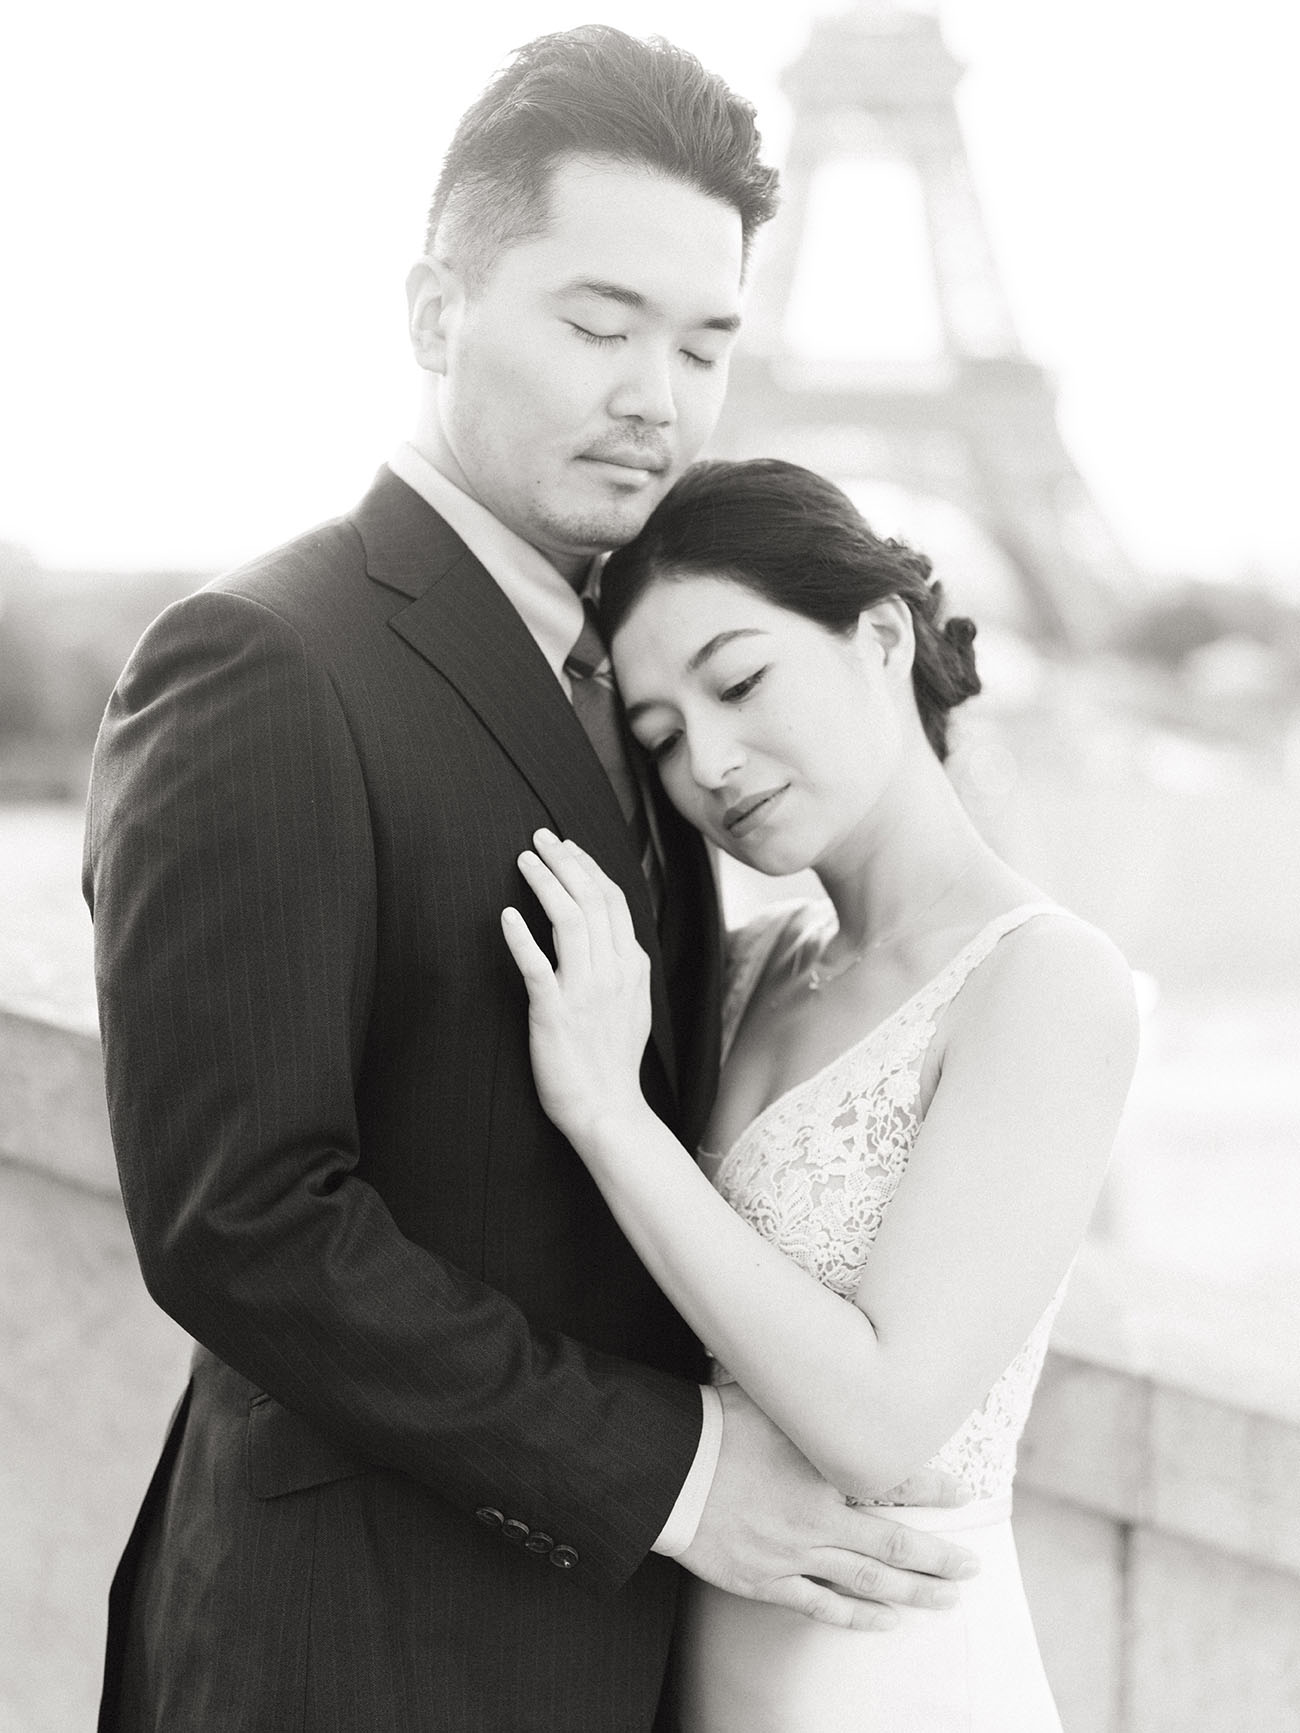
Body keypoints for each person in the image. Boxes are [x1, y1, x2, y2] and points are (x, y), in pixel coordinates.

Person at [84, 32, 977, 1733]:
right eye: (597, 322)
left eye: (707, 341)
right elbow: (241, 1214)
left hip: (634, 1651)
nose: (659, 391)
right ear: (434, 315)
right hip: (356, 1649)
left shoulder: (642, 692)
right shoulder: (264, 661)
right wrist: (681, 1478)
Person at [502, 458, 1141, 1732]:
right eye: (663, 739)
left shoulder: (1048, 982)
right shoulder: (742, 971)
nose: (712, 765)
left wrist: (611, 1116)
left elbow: (879, 1419)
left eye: (739, 681)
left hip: (897, 1684)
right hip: (686, 1670)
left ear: (879, 635)